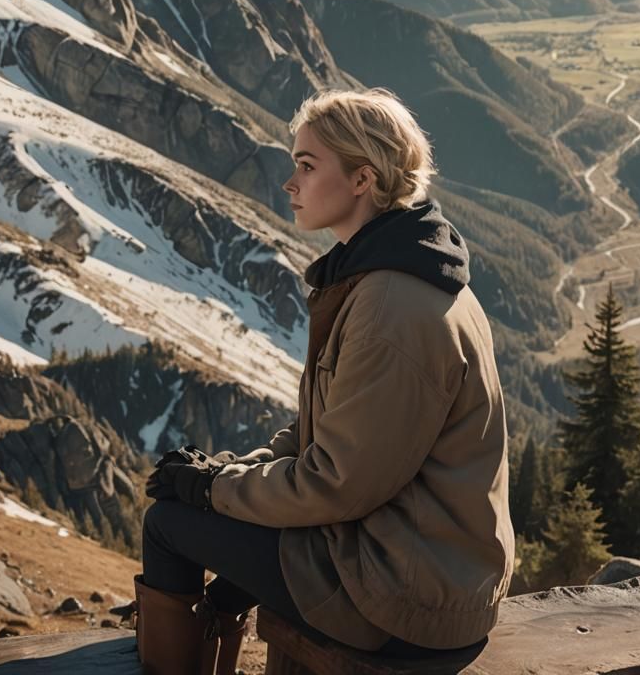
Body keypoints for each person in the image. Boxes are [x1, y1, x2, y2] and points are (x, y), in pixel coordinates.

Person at [136, 87, 514, 674]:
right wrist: (226, 474)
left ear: (363, 179)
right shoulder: (400, 272)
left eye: (307, 166)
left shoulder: (390, 306)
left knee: (168, 524)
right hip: (420, 566)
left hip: (404, 599)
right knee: (206, 522)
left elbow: (337, 482)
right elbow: (331, 437)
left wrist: (211, 492)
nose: (290, 183)